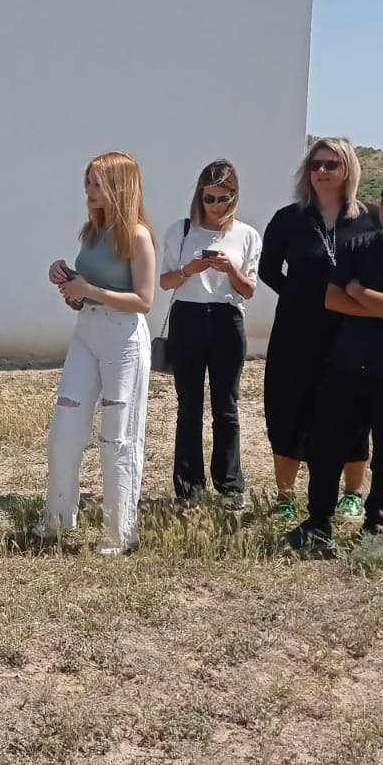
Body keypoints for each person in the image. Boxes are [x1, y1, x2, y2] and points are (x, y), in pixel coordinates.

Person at [287, 172, 383, 560]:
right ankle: (318, 523)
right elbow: (333, 300)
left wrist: (360, 291)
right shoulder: (358, 245)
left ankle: (374, 527)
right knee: (326, 446)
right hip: (346, 364)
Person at [39, 152, 157, 554]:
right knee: (64, 430)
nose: (88, 192)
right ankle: (56, 516)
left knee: (117, 437)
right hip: (87, 330)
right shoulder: (90, 232)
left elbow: (144, 300)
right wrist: (70, 284)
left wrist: (88, 290)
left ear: (119, 187)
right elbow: (82, 296)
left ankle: (120, 532)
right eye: (87, 182)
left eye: (97, 183)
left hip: (123, 339)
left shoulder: (138, 236)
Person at [259, 138, 381, 519]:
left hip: (352, 331)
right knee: (288, 406)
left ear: (348, 170)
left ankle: (352, 493)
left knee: (353, 411)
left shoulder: (371, 219)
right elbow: (267, 270)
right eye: (316, 164)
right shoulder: (288, 218)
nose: (322, 172)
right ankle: (285, 496)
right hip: (296, 333)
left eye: (331, 164)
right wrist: (298, 298)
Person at [156, 160, 262, 509]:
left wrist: (230, 268)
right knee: (189, 407)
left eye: (224, 199)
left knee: (226, 407)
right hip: (187, 317)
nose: (216, 206)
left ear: (235, 197)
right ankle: (188, 486)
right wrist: (190, 269)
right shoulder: (181, 230)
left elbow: (249, 290)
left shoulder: (246, 235)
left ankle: (230, 484)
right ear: (199, 196)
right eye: (210, 198)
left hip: (226, 319)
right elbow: (165, 282)